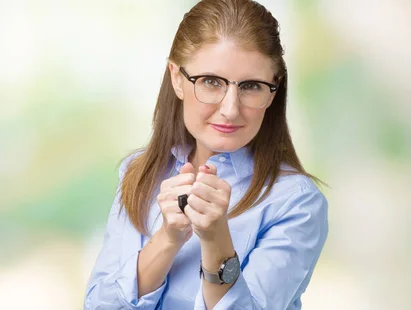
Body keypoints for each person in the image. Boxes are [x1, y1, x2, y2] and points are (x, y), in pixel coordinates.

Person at [83, 0, 328, 309]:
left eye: (251, 86)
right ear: (177, 78)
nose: (230, 109)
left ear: (274, 90)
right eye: (211, 82)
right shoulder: (139, 172)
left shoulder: (296, 202)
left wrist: (216, 239)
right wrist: (168, 237)